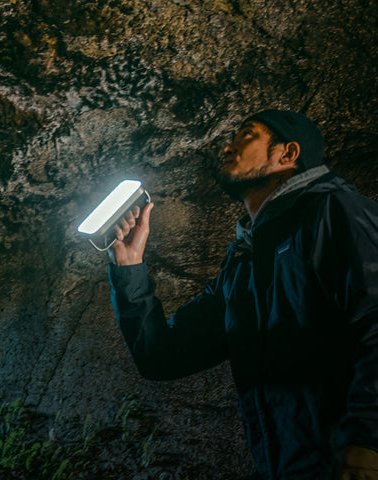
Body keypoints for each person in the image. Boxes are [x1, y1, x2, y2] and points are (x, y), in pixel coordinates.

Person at [107, 109, 378, 479]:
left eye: (247, 134)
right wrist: (129, 267)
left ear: (288, 154)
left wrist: (368, 443)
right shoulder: (243, 265)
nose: (226, 146)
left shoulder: (336, 212)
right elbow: (161, 356)